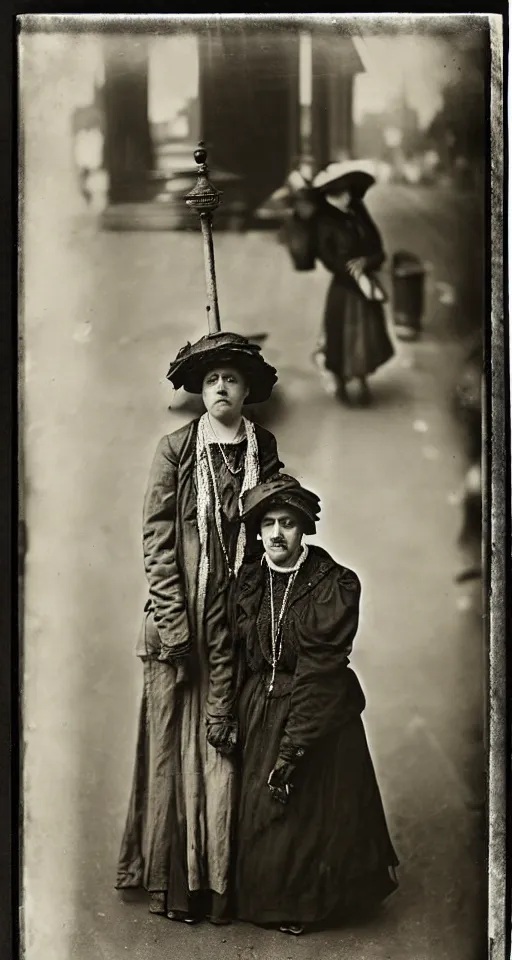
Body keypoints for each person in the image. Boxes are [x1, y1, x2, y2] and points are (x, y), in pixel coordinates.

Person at [115, 331, 283, 926]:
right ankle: (170, 883)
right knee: (170, 750)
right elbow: (158, 541)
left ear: (247, 390)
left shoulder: (263, 448)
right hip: (178, 623)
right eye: (211, 379)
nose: (221, 388)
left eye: (232, 379)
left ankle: (221, 885)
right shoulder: (176, 450)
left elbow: (273, 529)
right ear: (198, 389)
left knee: (226, 747)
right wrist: (174, 622)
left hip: (237, 623)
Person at [233, 475, 399, 935]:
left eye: (288, 522)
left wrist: (293, 748)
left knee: (307, 813)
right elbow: (236, 656)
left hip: (317, 711)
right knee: (260, 821)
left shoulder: (335, 585)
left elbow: (320, 673)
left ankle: (308, 904)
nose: (276, 534)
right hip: (260, 708)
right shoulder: (250, 581)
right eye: (267, 524)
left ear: (304, 528)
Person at [312, 163, 395, 405]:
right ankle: (340, 381)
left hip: (365, 284)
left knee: (366, 337)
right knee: (342, 336)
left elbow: (379, 250)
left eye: (350, 190)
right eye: (343, 191)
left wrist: (366, 261)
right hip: (344, 288)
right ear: (333, 192)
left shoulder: (359, 211)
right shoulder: (324, 220)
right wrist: (350, 270)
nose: (349, 196)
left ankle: (361, 380)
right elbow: (328, 258)